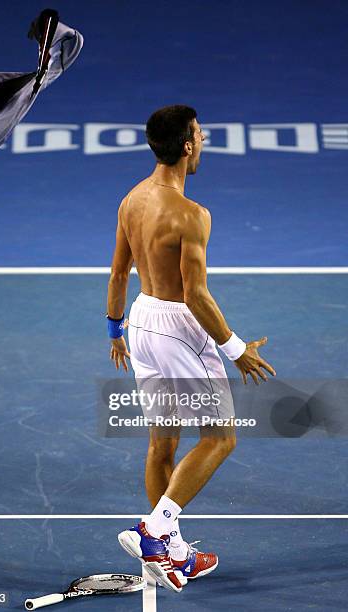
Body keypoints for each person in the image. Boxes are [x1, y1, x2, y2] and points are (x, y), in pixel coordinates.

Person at [106, 105, 276, 592]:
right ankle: (155, 531)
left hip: (140, 323)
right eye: (199, 134)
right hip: (181, 331)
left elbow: (119, 274)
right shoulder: (191, 215)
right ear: (186, 146)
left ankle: (172, 554)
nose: (203, 140)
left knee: (163, 444)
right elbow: (196, 294)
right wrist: (236, 348)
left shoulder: (131, 200)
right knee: (221, 438)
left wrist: (115, 331)